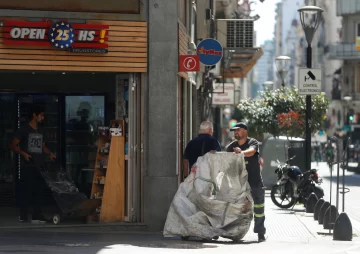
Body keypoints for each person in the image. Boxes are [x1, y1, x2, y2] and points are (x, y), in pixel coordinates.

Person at [10, 104, 56, 223]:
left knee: (39, 191)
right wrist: (24, 154)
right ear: (34, 115)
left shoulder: (41, 130)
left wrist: (49, 153)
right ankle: (23, 215)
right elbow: (13, 145)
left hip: (39, 164)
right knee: (26, 190)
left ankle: (36, 215)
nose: (43, 118)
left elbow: (43, 146)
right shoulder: (24, 129)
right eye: (41, 115)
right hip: (28, 165)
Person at [226, 122, 266, 242]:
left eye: (238, 130)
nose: (236, 132)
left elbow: (252, 151)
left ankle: (260, 233)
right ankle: (234, 233)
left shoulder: (252, 142)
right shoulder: (230, 147)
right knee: (235, 209)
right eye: (235, 131)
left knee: (259, 209)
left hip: (255, 182)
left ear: (245, 131)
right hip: (238, 185)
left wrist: (240, 153)